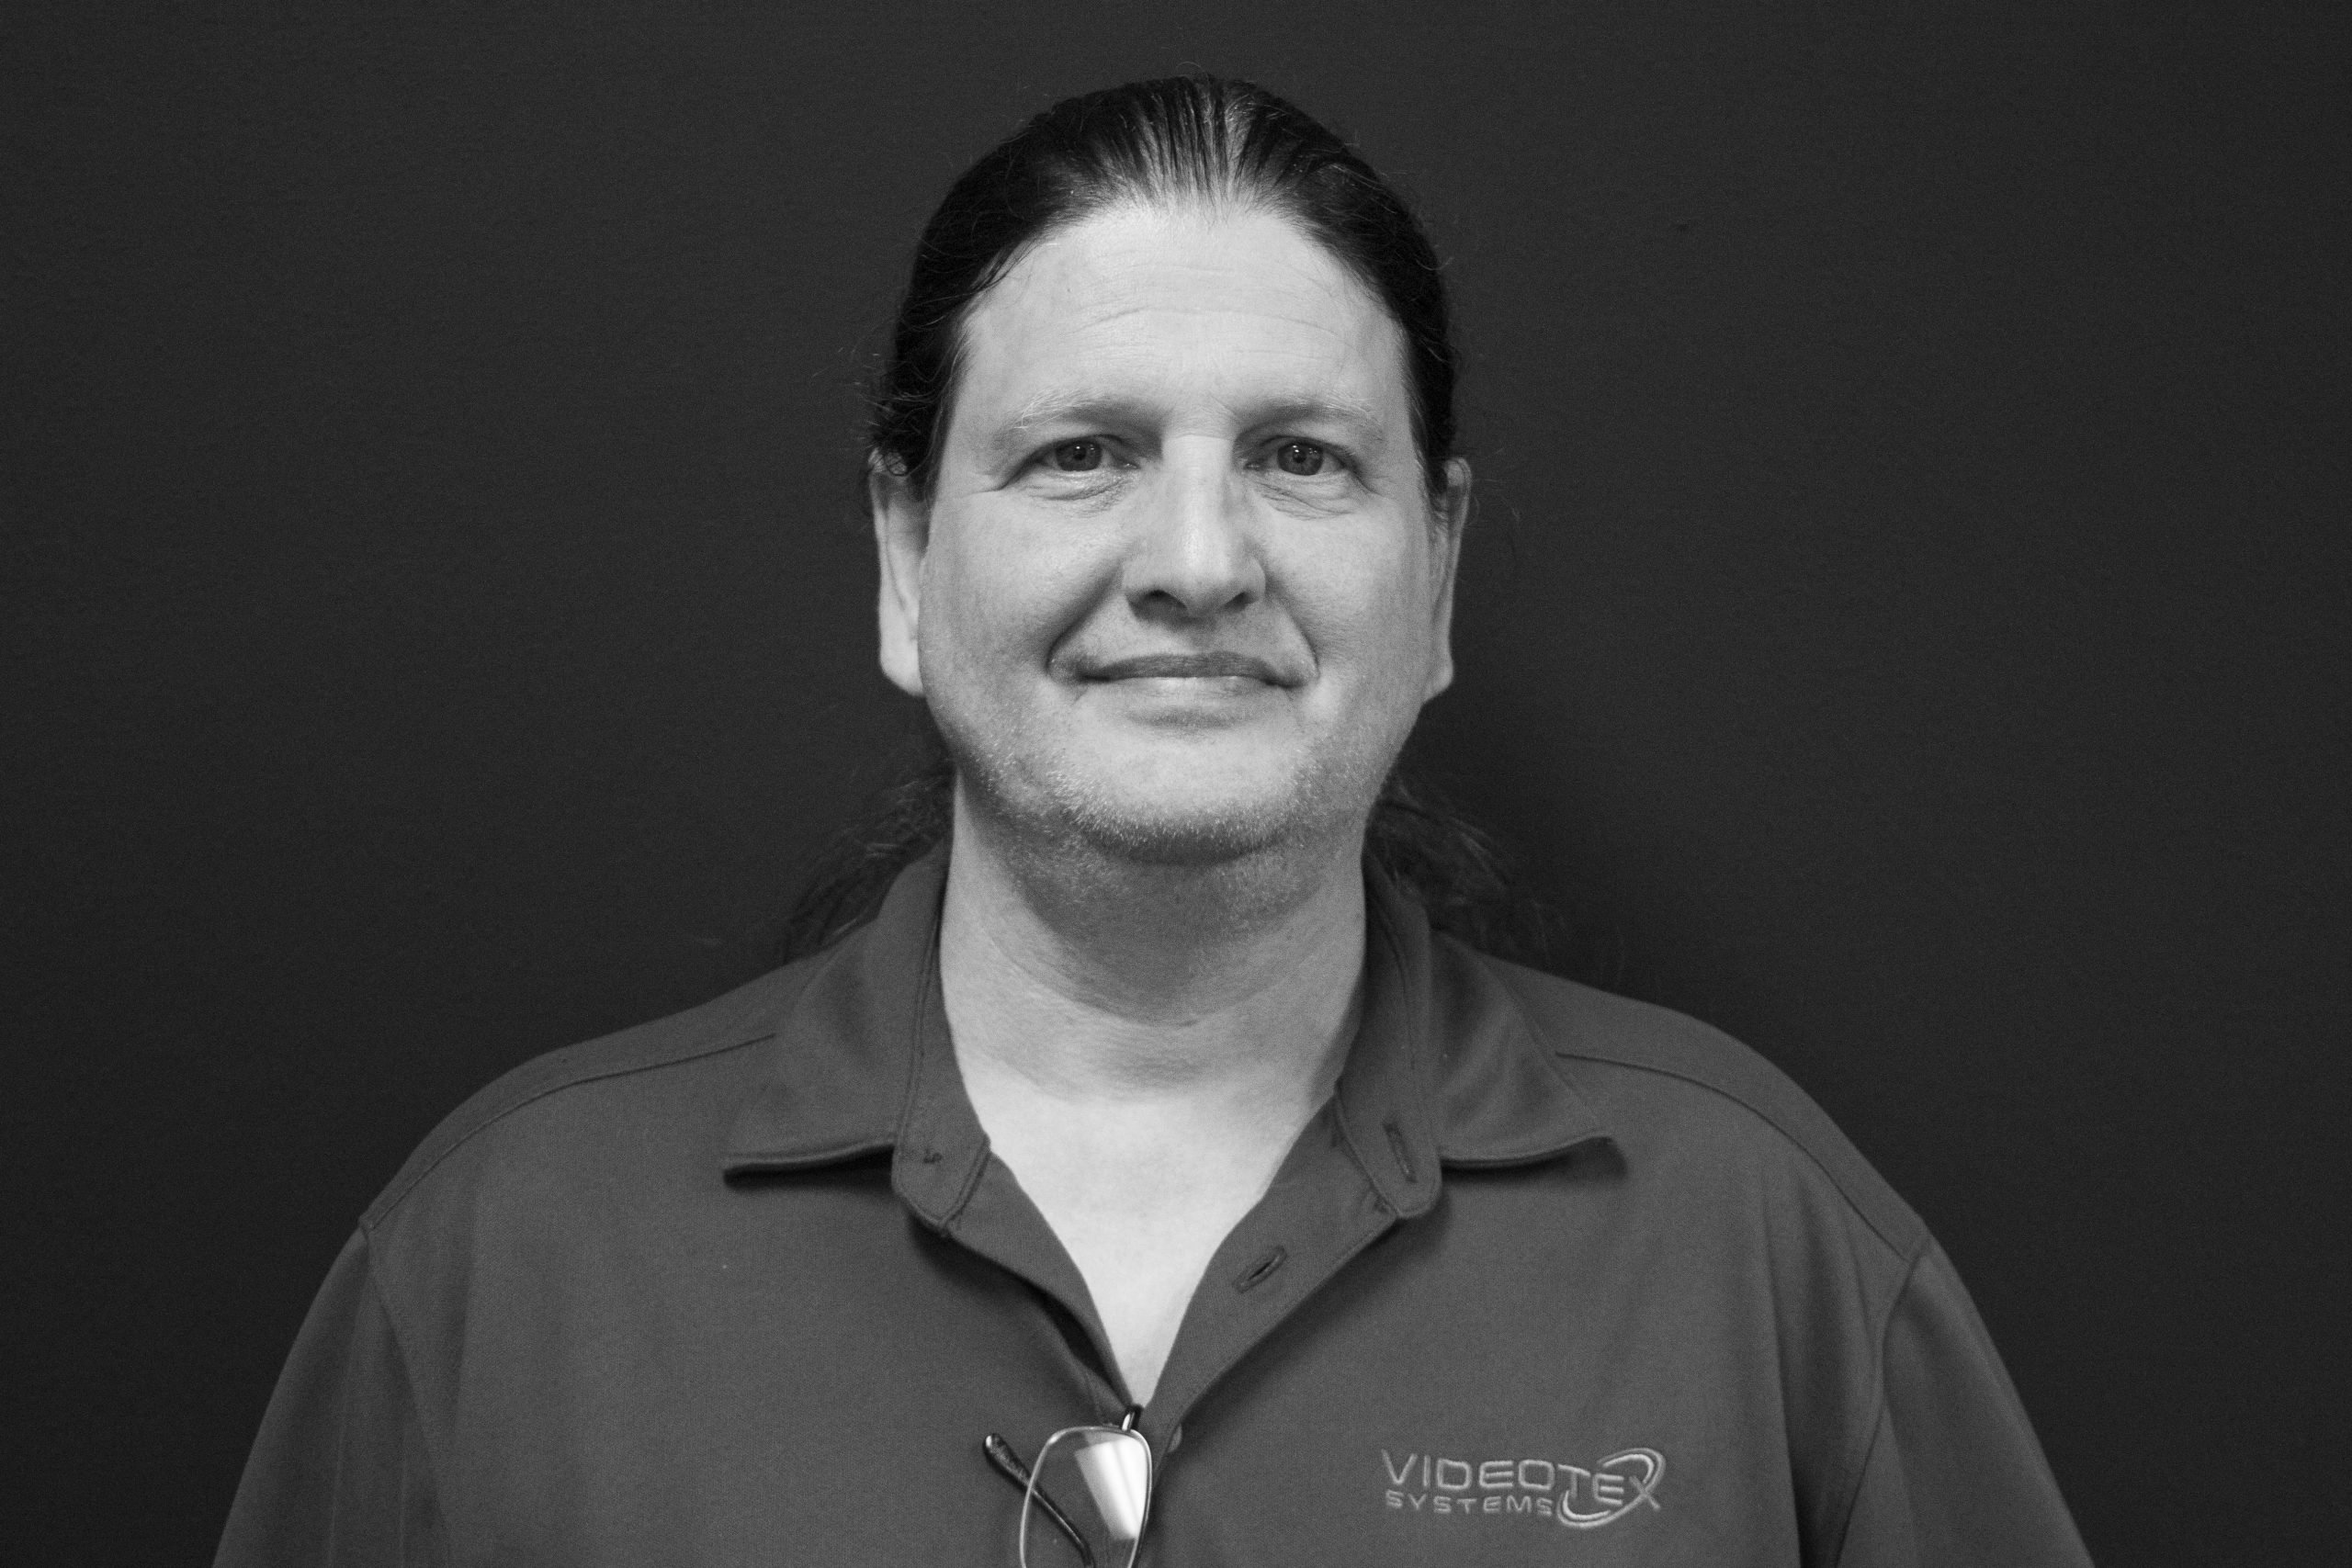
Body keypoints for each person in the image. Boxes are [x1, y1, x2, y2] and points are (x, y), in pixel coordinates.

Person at [217, 77, 2092, 1566]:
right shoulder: (504, 1263)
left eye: (1301, 457)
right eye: (1081, 453)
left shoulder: (1757, 1245)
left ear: (1436, 570)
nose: (1198, 559)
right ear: (904, 555)